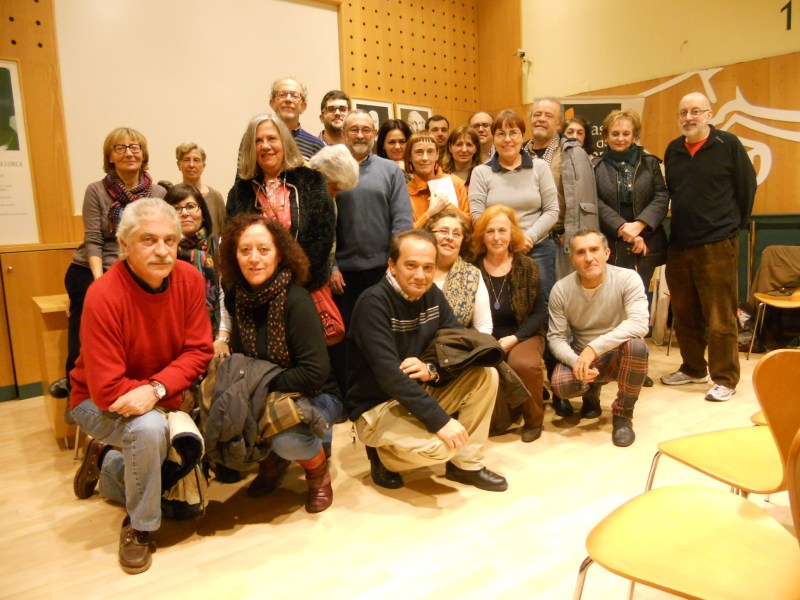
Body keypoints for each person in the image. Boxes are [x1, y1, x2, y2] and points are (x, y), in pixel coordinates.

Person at [70, 198, 214, 574]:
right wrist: (168, 395)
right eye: (148, 240)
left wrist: (158, 390)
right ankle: (140, 527)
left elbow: (199, 350)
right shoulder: (103, 295)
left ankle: (106, 463)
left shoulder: (190, 279)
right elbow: (106, 390)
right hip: (95, 401)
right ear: (124, 244)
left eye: (170, 240)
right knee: (149, 430)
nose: (162, 250)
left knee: (183, 497)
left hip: (156, 394)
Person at [347, 229, 507, 492]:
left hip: (415, 391)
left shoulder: (432, 294)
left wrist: (431, 368)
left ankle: (465, 466)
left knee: (486, 375)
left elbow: (455, 342)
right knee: (442, 447)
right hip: (377, 405)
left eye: (428, 267)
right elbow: (390, 377)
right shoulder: (373, 304)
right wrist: (441, 422)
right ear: (392, 265)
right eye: (411, 266)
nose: (420, 275)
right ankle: (382, 456)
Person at [218, 214, 342, 512]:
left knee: (287, 439)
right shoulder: (236, 296)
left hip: (316, 394)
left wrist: (258, 383)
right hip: (265, 391)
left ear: (280, 254)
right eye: (245, 250)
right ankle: (272, 462)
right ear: (234, 256)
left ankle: (318, 471)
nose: (254, 258)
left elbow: (314, 374)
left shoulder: (296, 300)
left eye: (264, 249)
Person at [55, 128, 167, 403]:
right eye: (120, 148)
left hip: (138, 267)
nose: (129, 153)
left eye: (135, 147)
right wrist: (100, 281)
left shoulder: (158, 192)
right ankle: (76, 386)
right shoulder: (96, 190)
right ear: (110, 156)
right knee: (87, 308)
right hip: (93, 266)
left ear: (143, 154)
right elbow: (93, 239)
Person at [660, 92, 757, 402]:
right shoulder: (673, 149)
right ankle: (693, 368)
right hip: (680, 243)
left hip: (718, 243)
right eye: (683, 112)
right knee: (684, 314)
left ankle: (725, 378)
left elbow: (746, 188)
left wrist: (731, 227)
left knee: (720, 317)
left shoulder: (728, 144)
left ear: (709, 114)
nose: (689, 117)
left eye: (695, 111)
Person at [327, 111, 414, 396]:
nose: (360, 135)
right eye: (354, 129)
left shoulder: (391, 171)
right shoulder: (330, 171)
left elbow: (402, 221)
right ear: (344, 134)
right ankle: (349, 398)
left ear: (374, 134)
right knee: (345, 341)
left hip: (383, 272)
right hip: (343, 277)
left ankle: (384, 395)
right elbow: (324, 224)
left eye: (366, 129)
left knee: (381, 337)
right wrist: (332, 266)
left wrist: (396, 265)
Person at [548, 228, 649, 447]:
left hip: (616, 353)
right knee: (561, 385)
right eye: (580, 252)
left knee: (637, 347)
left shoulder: (627, 278)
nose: (588, 257)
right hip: (580, 355)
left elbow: (640, 323)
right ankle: (591, 395)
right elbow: (555, 338)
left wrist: (593, 348)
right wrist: (577, 361)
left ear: (607, 253)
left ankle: (623, 414)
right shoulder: (561, 289)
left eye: (594, 250)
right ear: (572, 259)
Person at [226, 112, 335, 295]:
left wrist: (291, 283)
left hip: (305, 288)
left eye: (271, 138)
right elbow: (232, 245)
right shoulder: (240, 191)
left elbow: (322, 239)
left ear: (285, 142)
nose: (265, 146)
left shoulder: (312, 181)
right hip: (256, 290)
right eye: (258, 141)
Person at [473, 206, 547, 442]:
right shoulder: (471, 267)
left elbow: (540, 312)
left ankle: (534, 420)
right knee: (497, 425)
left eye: (502, 231)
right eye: (490, 231)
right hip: (484, 337)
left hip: (523, 334)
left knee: (522, 363)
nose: (496, 237)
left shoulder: (527, 266)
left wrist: (515, 338)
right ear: (482, 235)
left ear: (512, 233)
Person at [469, 109, 559, 300]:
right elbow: (477, 216)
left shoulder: (540, 167)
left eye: (513, 133)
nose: (507, 139)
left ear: (522, 136)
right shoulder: (481, 172)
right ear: (494, 138)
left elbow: (552, 210)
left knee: (542, 302)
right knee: (500, 303)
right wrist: (506, 240)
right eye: (501, 134)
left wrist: (527, 237)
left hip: (536, 246)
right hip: (496, 247)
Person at [593, 110, 669, 304]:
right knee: (613, 302)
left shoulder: (650, 163)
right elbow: (595, 202)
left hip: (648, 242)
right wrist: (624, 229)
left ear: (634, 136)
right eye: (615, 133)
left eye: (626, 133)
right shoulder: (595, 166)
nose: (620, 138)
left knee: (643, 302)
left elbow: (661, 197)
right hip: (611, 242)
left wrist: (640, 225)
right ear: (605, 136)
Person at [523, 97, 599, 281]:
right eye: (537, 114)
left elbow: (586, 202)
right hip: (525, 241)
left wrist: (575, 237)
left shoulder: (574, 154)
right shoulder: (519, 153)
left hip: (559, 243)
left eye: (548, 115)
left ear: (559, 124)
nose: (541, 119)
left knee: (562, 296)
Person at [164, 184, 221, 337]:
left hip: (214, 334)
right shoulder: (162, 252)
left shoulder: (219, 247)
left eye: (191, 206)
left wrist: (222, 337)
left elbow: (227, 298)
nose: (184, 213)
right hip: (171, 333)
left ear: (203, 213)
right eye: (176, 208)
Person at [424, 208, 492, 334]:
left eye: (456, 234)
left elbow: (484, 326)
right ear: (429, 235)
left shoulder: (471, 275)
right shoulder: (415, 270)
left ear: (462, 240)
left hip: (456, 344)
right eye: (443, 231)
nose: (450, 237)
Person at [404, 130, 471, 228]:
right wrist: (430, 214)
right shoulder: (405, 193)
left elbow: (470, 226)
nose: (425, 158)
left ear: (437, 155)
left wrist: (449, 207)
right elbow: (407, 234)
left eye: (430, 152)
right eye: (419, 152)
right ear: (410, 157)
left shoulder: (455, 183)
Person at [175, 142, 226, 237]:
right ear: (179, 165)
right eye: (186, 160)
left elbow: (224, 232)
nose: (191, 165)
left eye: (196, 160)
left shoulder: (215, 197)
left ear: (203, 166)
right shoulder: (173, 196)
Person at [268, 76, 324, 159]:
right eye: (282, 94)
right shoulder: (257, 139)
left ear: (303, 107)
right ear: (272, 103)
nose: (288, 99)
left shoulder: (316, 146)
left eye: (294, 96)